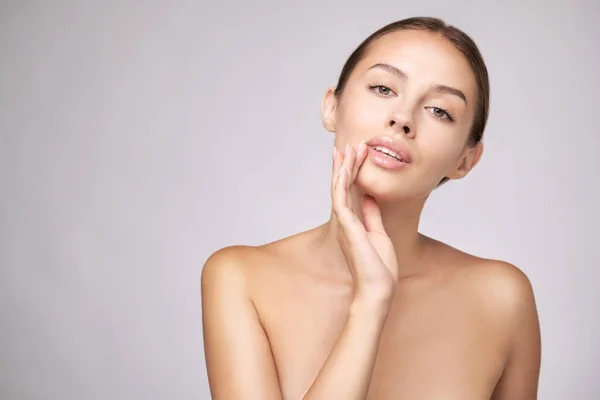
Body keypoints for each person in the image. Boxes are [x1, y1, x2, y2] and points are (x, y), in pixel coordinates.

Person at [201, 16, 541, 400]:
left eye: (439, 111)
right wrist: (371, 303)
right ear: (332, 106)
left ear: (465, 160)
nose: (403, 119)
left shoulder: (501, 299)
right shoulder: (242, 278)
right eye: (383, 88)